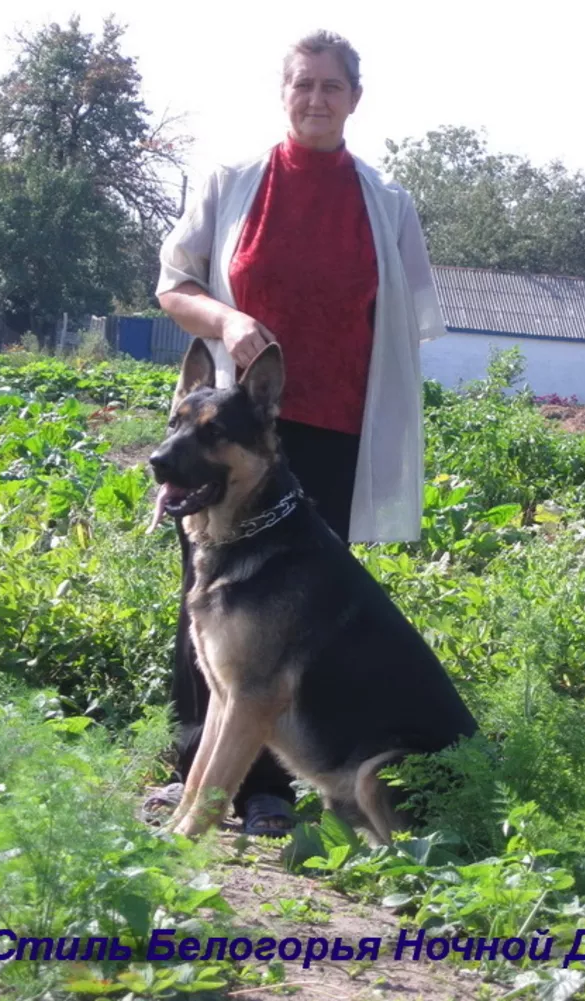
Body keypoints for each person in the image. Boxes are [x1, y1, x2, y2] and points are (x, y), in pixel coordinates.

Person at [151, 29, 446, 836]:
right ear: (284, 93)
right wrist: (229, 317)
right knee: (212, 604)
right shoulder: (233, 182)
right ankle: (195, 782)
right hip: (234, 433)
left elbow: (407, 317)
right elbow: (174, 286)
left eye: (333, 86)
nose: (317, 98)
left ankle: (277, 789)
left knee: (299, 620)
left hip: (335, 427)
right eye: (303, 84)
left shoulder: (386, 203)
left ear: (356, 98)